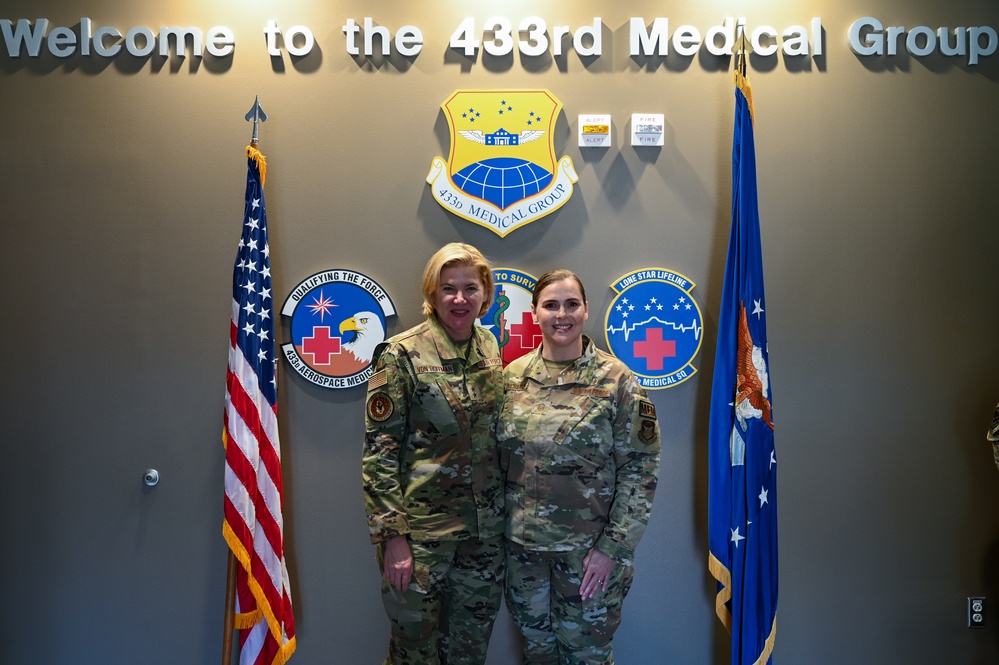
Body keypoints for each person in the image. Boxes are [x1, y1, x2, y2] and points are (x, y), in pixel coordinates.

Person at [497, 269, 661, 665]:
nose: (561, 314)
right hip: (525, 554)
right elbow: (498, 462)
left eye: (572, 304)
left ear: (586, 310)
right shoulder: (512, 378)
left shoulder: (617, 380)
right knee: (537, 653)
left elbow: (641, 471)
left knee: (586, 654)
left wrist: (612, 548)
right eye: (550, 305)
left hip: (587, 556)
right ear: (535, 311)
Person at [362, 243, 505, 665]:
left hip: (482, 538)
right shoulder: (401, 354)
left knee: (468, 653)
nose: (459, 299)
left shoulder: (490, 347)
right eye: (448, 289)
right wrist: (393, 539)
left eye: (470, 288)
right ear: (432, 294)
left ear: (485, 293)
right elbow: (379, 454)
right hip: (422, 539)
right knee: (414, 654)